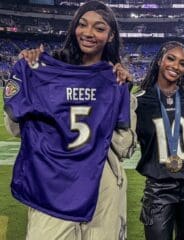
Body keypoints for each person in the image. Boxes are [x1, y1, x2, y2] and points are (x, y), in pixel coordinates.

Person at [3, 1, 136, 239]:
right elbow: (15, 128)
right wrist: (29, 74)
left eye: (99, 27)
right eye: (82, 25)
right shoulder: (45, 70)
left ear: (110, 35)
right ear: (74, 28)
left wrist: (123, 96)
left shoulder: (117, 81)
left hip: (101, 188)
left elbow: (125, 148)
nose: (88, 33)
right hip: (51, 184)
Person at [134, 41, 184, 240]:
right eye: (171, 59)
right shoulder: (139, 101)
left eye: (182, 63)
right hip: (159, 188)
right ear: (159, 60)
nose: (175, 66)